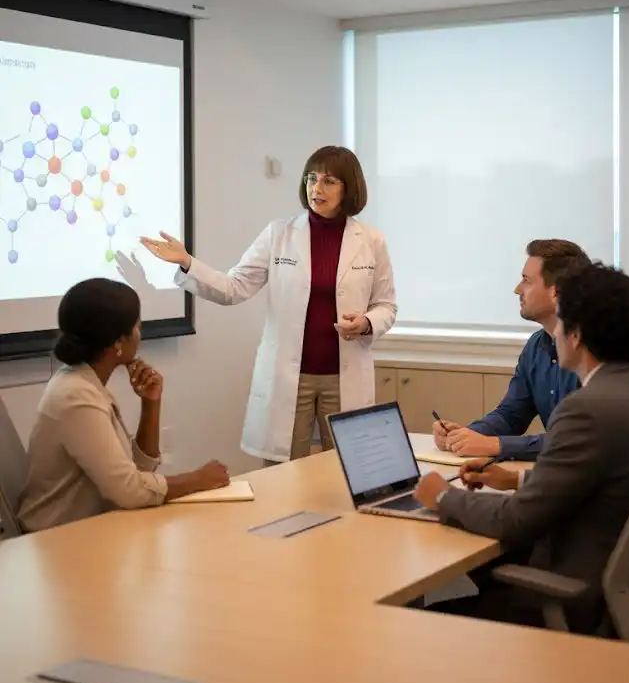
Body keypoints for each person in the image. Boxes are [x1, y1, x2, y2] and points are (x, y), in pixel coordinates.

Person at [415, 262, 629, 635]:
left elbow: (516, 521)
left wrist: (442, 496)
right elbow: (611, 487)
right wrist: (518, 481)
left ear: (575, 335)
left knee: (413, 613)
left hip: (578, 603)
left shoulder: (587, 409)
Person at [140, 146, 397, 465]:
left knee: (350, 470)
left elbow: (386, 305)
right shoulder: (280, 234)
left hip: (345, 377)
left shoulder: (371, 241)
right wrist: (187, 262)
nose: (317, 188)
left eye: (329, 180)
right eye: (311, 178)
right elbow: (234, 288)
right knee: (283, 475)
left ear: (349, 187)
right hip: (290, 377)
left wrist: (366, 323)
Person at [17, 279, 230, 533]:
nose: (140, 334)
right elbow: (128, 491)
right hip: (55, 539)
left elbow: (136, 470)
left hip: (85, 531)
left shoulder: (87, 383)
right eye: (137, 326)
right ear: (118, 341)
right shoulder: (75, 396)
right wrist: (197, 480)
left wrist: (151, 404)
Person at [432, 239, 590, 461]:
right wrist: (467, 435)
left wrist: (495, 445)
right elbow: (511, 415)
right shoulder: (537, 345)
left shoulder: (593, 351)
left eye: (526, 281)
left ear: (556, 292)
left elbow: (575, 441)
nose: (517, 289)